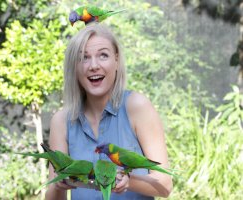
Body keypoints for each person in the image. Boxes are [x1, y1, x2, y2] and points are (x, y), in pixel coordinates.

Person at [45, 23, 172, 200]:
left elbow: (165, 186)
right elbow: (52, 195)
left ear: (117, 61)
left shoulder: (137, 107)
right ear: (74, 68)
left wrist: (128, 181)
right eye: (84, 58)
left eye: (103, 55)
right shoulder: (61, 121)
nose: (93, 66)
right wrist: (59, 185)